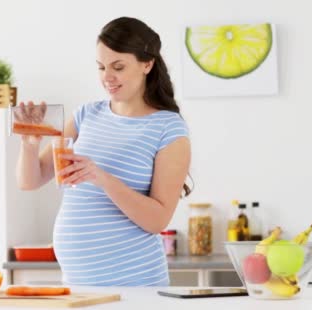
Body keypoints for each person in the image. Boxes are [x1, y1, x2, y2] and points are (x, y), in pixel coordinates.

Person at [15, 17, 191, 287]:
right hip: (77, 285)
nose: (107, 77)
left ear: (147, 64)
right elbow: (31, 180)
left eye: (118, 67)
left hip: (135, 285)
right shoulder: (86, 115)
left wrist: (102, 178)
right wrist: (30, 145)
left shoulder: (168, 128)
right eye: (101, 67)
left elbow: (157, 220)